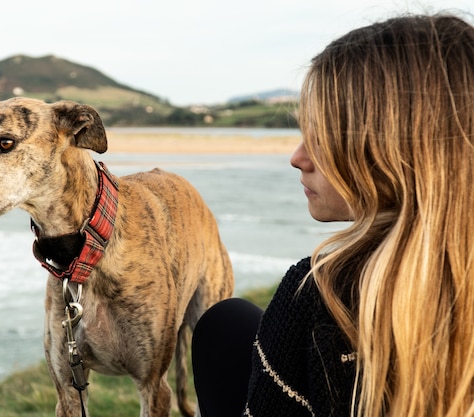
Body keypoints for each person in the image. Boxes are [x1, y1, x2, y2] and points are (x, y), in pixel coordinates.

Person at [192, 13, 474, 417]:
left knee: (226, 327)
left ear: (394, 151)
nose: (297, 158)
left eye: (321, 137)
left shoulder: (319, 292)